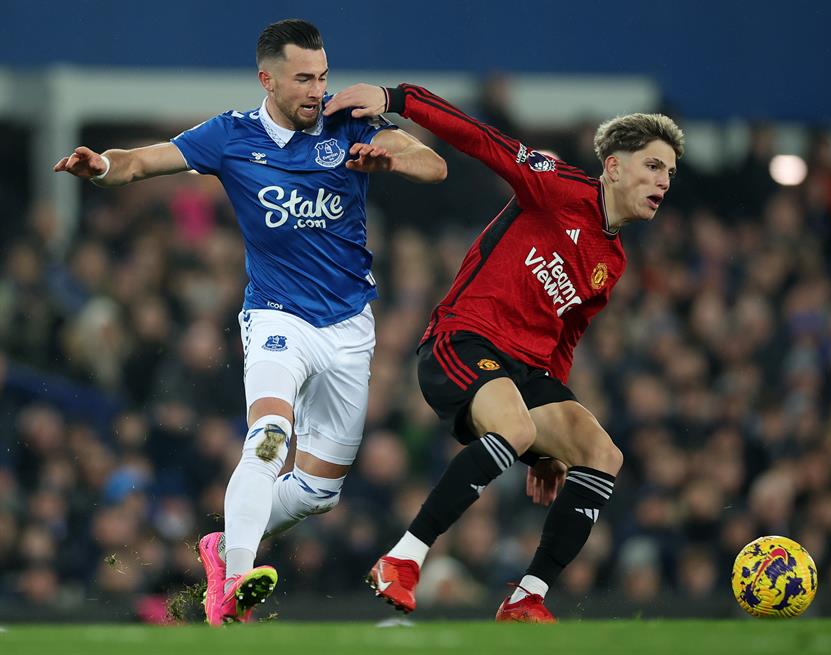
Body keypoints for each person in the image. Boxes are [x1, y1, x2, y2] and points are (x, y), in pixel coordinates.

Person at [54, 20, 446, 625]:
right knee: (268, 436)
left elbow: (433, 166)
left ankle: (222, 546)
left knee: (320, 493)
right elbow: (141, 163)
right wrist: (102, 166)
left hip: (349, 326)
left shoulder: (350, 124)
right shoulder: (230, 137)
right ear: (267, 78)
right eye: (303, 79)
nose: (318, 90)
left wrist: (392, 157)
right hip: (276, 316)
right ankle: (233, 584)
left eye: (322, 76)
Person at [324, 83, 683, 622]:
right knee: (514, 429)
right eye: (653, 166)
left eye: (670, 174)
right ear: (612, 166)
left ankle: (527, 597)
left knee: (603, 455)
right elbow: (482, 140)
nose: (663, 181)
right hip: (462, 340)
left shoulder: (612, 261)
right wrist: (397, 98)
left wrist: (551, 447)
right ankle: (401, 559)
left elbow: (563, 342)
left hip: (525, 371)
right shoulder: (558, 187)